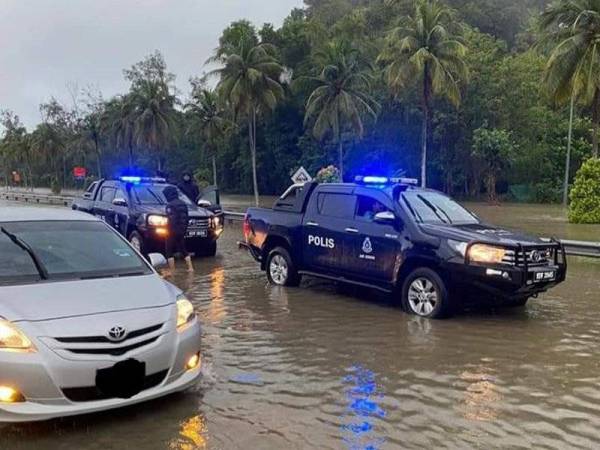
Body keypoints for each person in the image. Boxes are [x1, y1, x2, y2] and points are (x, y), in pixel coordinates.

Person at [163, 186, 194, 273]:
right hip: (182, 230)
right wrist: (184, 229)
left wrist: (168, 230)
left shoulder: (170, 205)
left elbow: (171, 220)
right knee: (183, 249)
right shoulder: (183, 204)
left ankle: (172, 271)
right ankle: (190, 268)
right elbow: (187, 218)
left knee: (169, 250)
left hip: (172, 231)